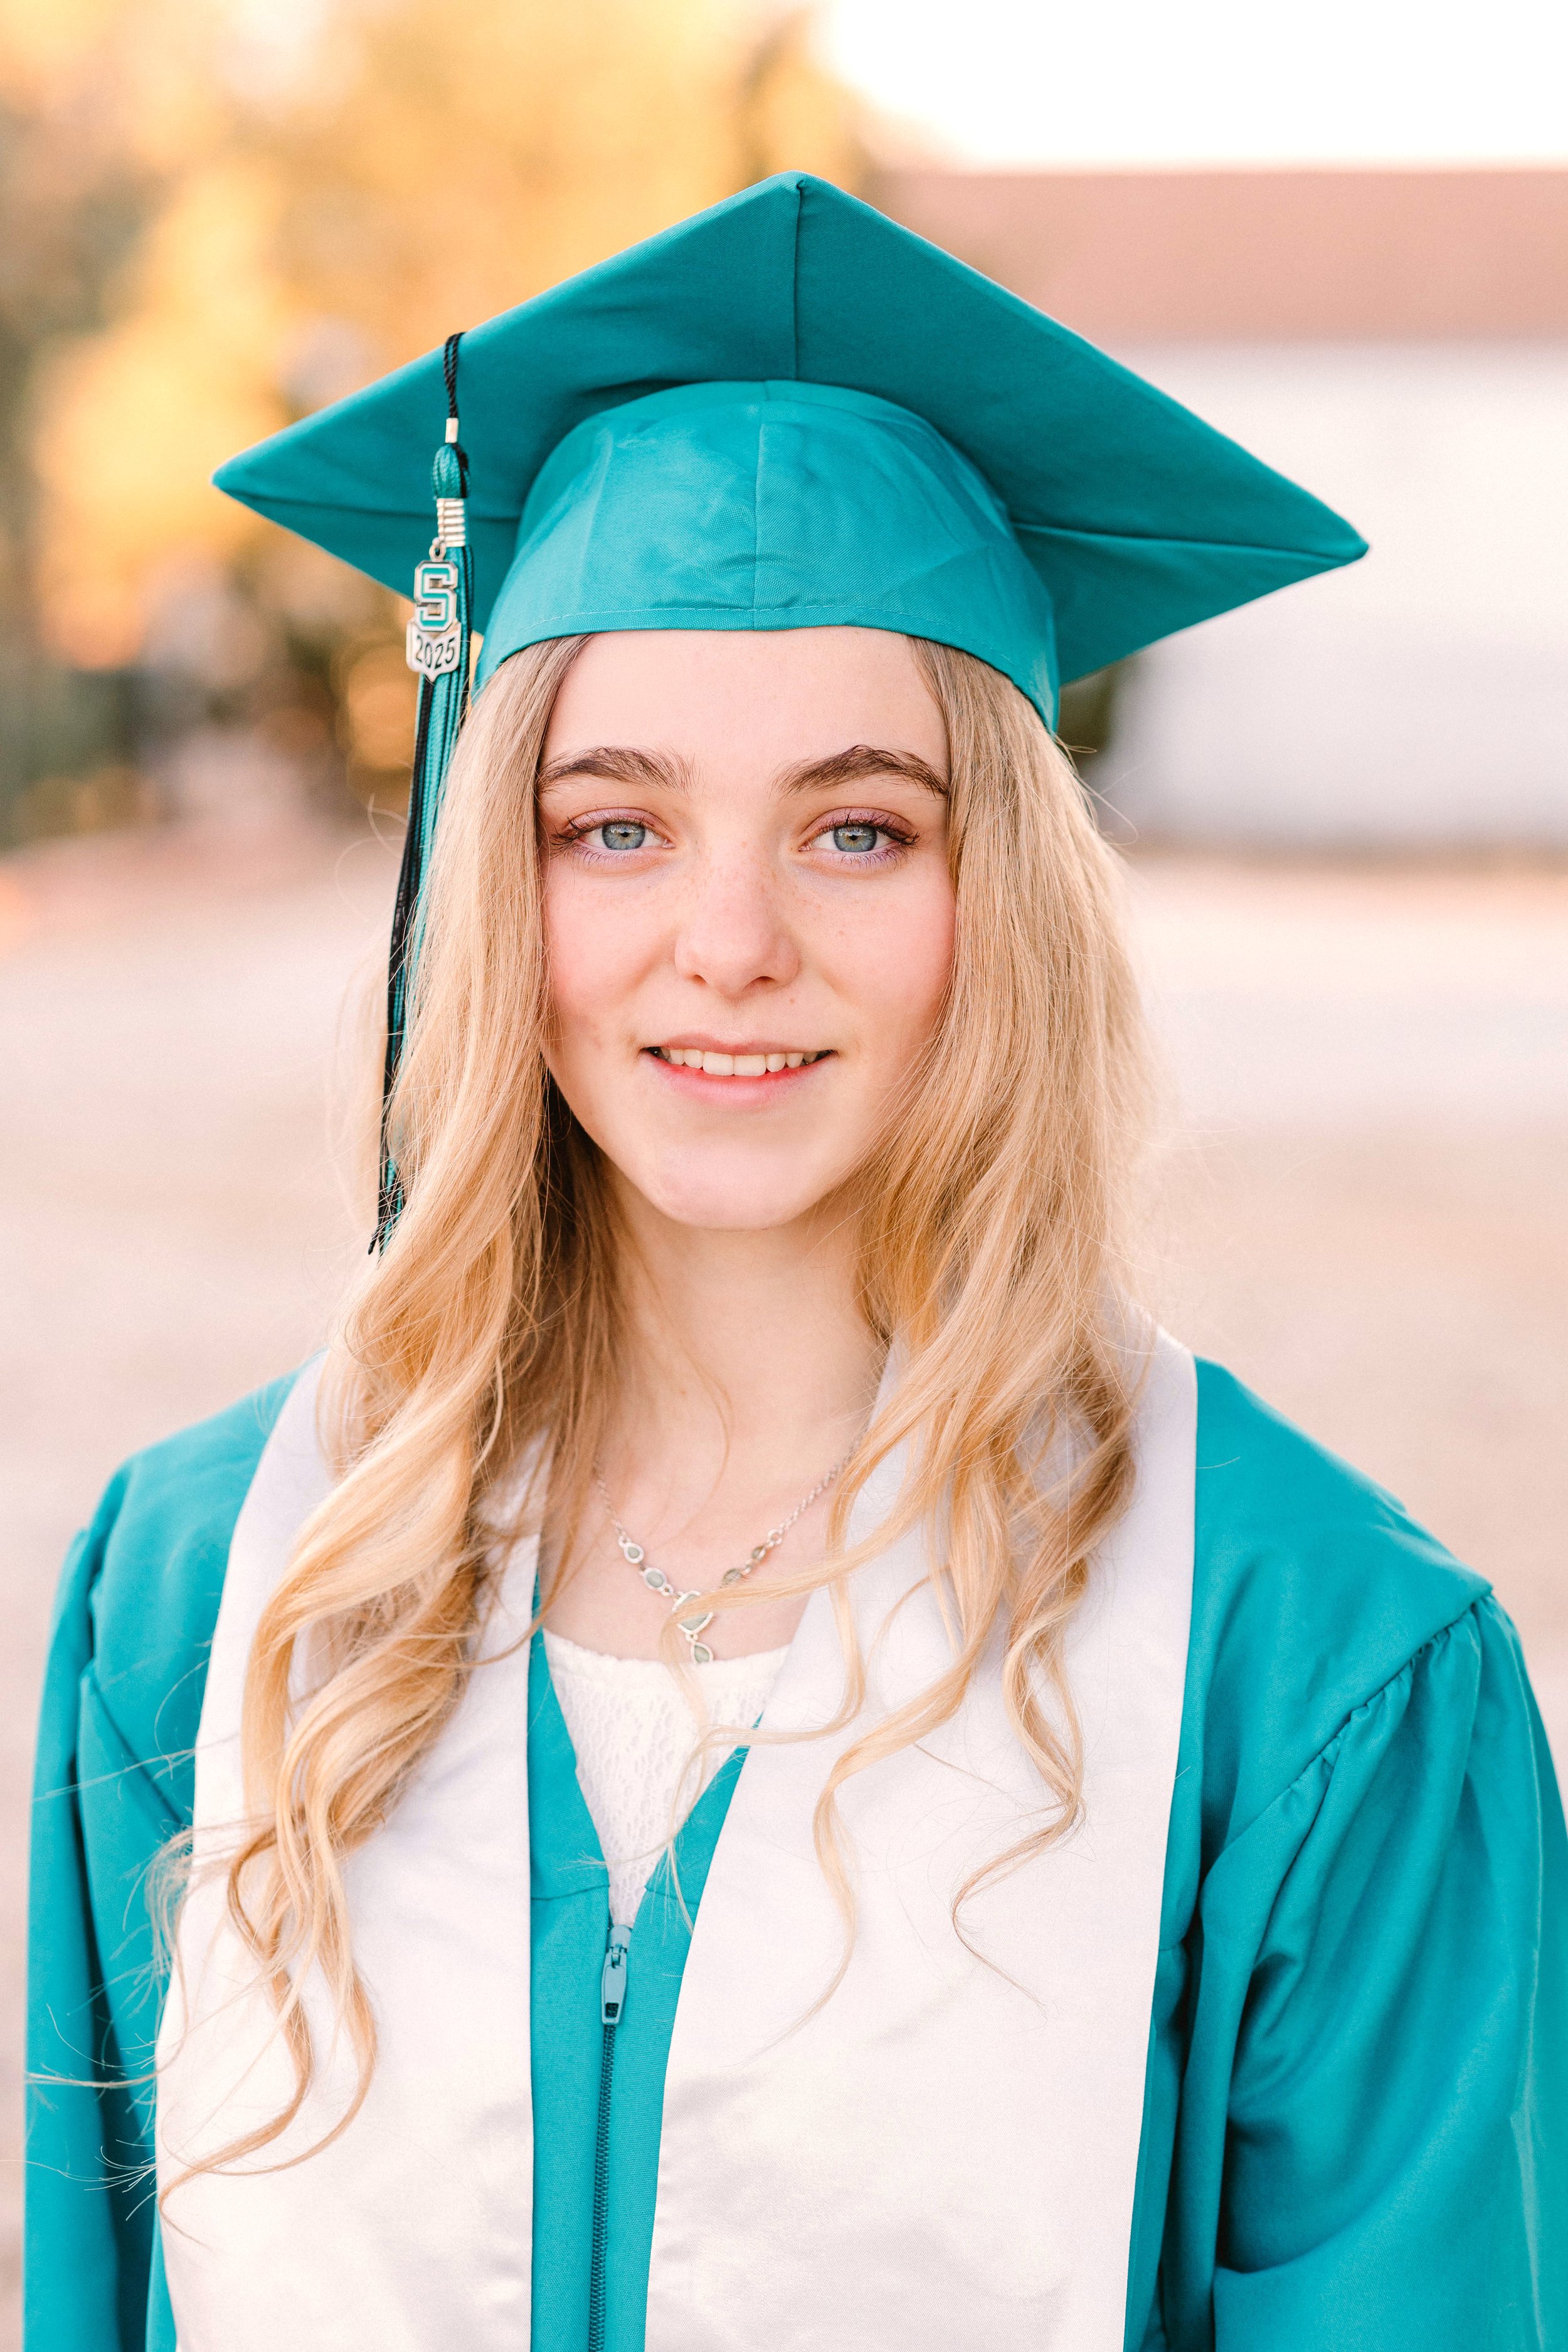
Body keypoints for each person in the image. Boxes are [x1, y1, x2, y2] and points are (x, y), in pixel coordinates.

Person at [26, 174, 1566, 2352]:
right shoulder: (212, 1601)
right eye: (614, 823)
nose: (724, 942)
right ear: (500, 887)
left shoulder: (1306, 1671)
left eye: (858, 826)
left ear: (997, 902)